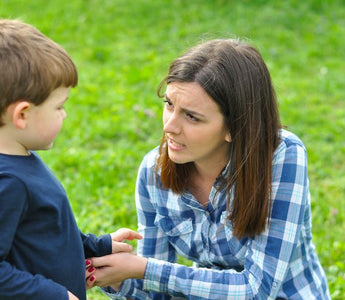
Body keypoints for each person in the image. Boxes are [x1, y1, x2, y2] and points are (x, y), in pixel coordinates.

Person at [87, 39, 331, 299]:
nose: (169, 126)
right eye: (169, 104)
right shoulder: (153, 171)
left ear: (235, 127)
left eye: (191, 116)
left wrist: (144, 269)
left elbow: (257, 289)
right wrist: (114, 276)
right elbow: (155, 292)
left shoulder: (282, 157)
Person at [0, 19, 142, 300]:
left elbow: (45, 232)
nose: (64, 114)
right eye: (59, 106)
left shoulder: (22, 158)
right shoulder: (9, 182)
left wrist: (97, 245)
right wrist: (53, 294)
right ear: (23, 115)